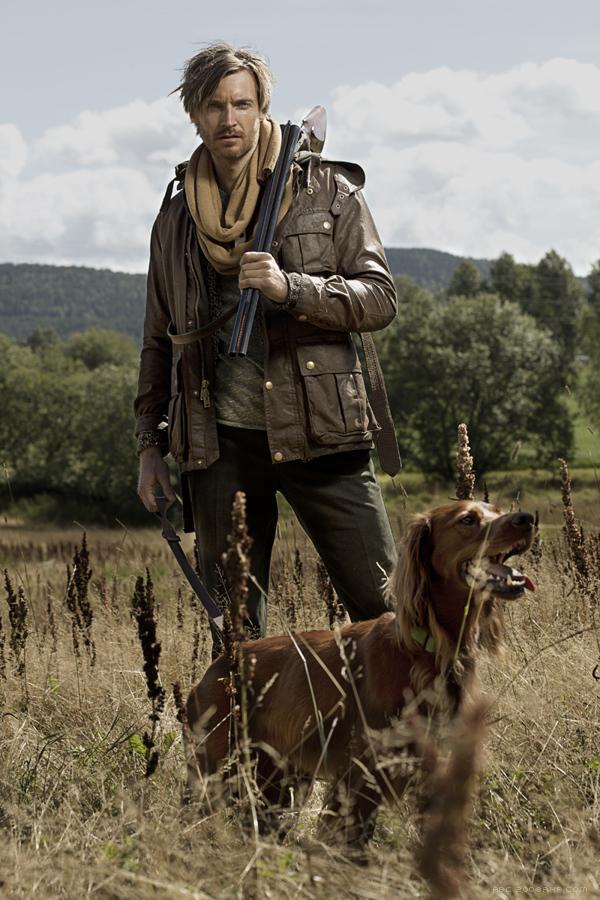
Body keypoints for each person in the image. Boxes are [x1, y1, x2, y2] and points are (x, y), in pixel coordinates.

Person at [134, 42, 399, 653]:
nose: (228, 119)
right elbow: (156, 340)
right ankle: (253, 722)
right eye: (213, 106)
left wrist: (291, 288)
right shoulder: (176, 219)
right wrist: (149, 446)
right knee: (235, 638)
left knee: (385, 613)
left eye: (242, 104)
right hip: (219, 443)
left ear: (262, 108)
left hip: (323, 431)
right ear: (194, 114)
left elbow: (380, 298)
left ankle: (413, 718)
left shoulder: (328, 190)